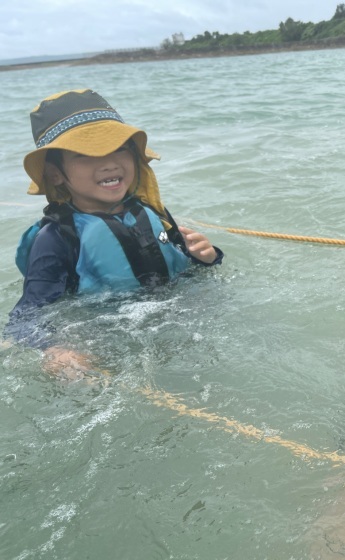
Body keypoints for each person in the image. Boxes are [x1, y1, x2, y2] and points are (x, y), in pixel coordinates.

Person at [6, 89, 223, 378]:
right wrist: (54, 349)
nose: (109, 162)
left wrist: (208, 257)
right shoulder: (57, 239)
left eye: (118, 147)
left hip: (177, 323)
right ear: (55, 174)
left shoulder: (150, 212)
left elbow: (186, 268)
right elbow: (25, 318)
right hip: (107, 340)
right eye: (85, 154)